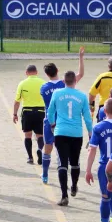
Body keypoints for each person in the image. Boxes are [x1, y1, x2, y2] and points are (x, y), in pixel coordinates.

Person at [47, 71, 93, 206]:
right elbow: (87, 117)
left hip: (60, 132)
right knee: (74, 162)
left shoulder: (57, 93)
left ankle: (64, 195)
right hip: (76, 133)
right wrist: (90, 133)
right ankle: (73, 186)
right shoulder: (82, 96)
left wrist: (52, 124)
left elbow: (50, 112)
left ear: (64, 81)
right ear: (75, 81)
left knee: (62, 163)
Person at [40, 47, 85, 184]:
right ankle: (64, 170)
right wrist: (81, 58)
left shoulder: (44, 88)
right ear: (57, 71)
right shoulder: (64, 84)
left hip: (50, 121)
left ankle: (45, 174)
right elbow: (80, 74)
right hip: (64, 121)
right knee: (64, 148)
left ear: (47, 74)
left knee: (47, 148)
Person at [13, 65, 46, 165]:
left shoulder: (22, 83)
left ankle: (30, 157)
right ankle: (40, 150)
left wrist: (15, 114)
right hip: (40, 112)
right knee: (40, 135)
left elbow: (17, 101)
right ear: (36, 72)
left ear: (26, 73)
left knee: (28, 135)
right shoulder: (43, 83)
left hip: (27, 112)